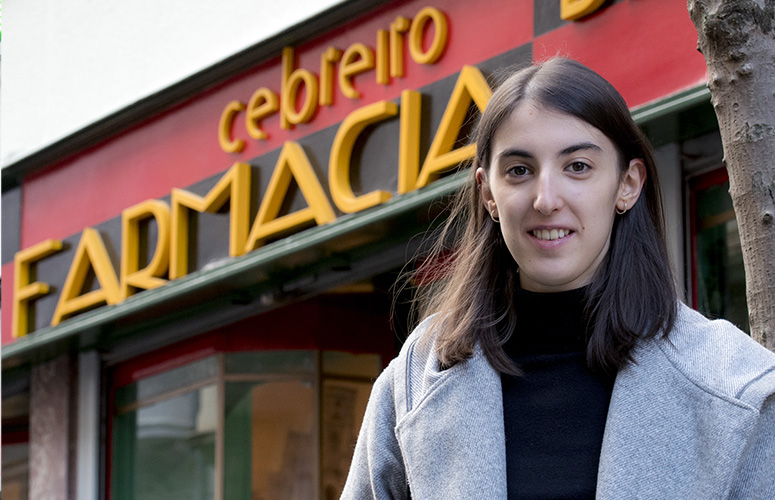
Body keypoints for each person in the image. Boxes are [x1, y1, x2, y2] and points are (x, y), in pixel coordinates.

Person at [340, 58, 775, 499]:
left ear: (627, 184)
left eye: (578, 167)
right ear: (488, 194)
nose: (546, 199)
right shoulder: (413, 382)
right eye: (519, 171)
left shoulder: (734, 386)